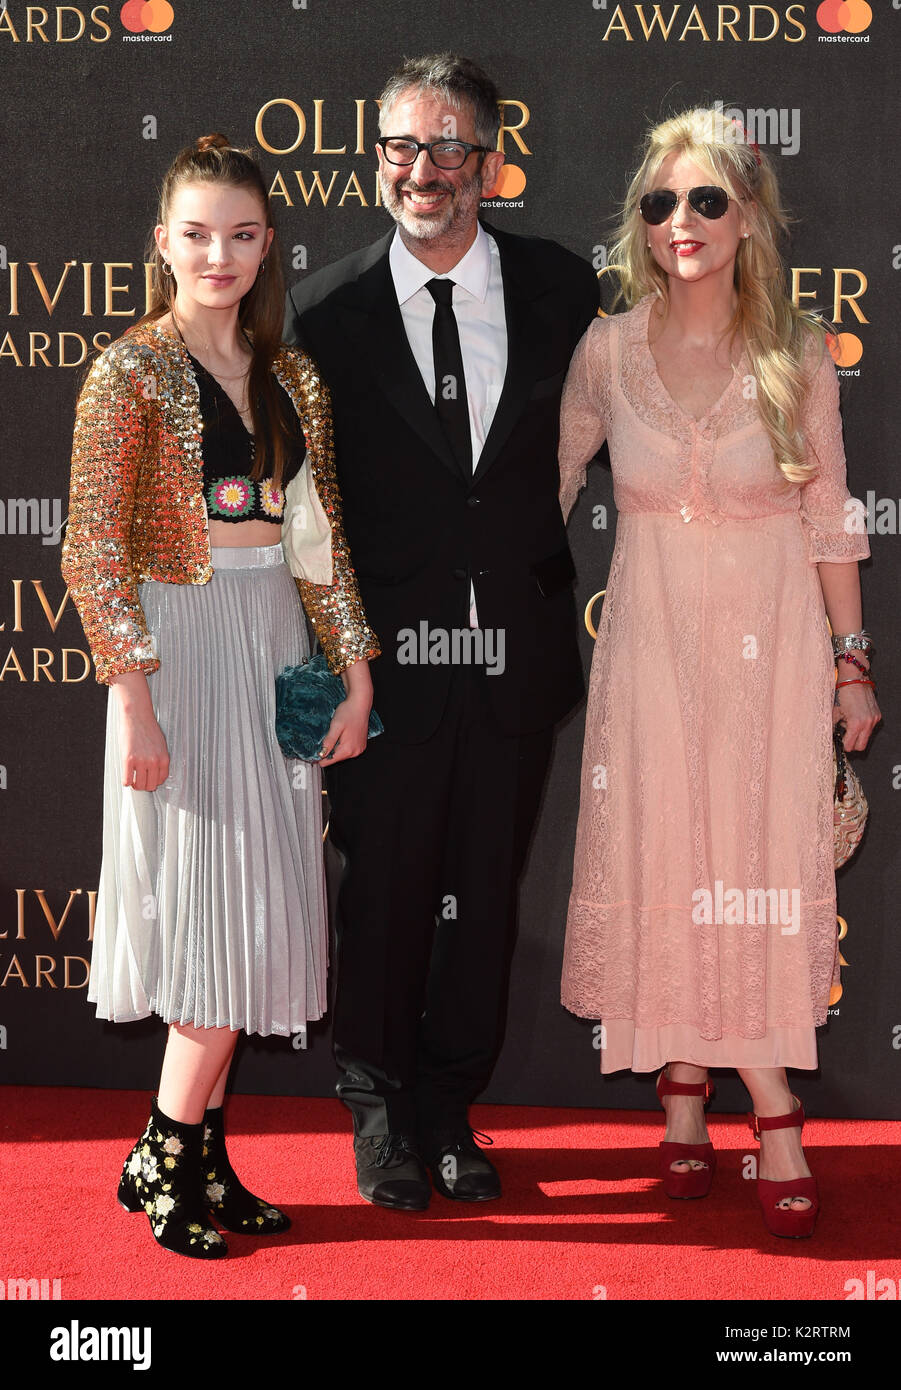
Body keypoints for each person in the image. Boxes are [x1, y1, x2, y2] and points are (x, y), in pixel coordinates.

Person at [284, 53, 600, 1210]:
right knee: (383, 890)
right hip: (381, 668)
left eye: (447, 146)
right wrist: (333, 678)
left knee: (483, 886)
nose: (422, 170)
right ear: (377, 160)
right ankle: (378, 1109)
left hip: (514, 658)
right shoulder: (324, 312)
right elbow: (306, 520)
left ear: (490, 161)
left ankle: (451, 1104)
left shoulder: (565, 290)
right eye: (399, 148)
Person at [558, 108, 880, 1238]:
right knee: (669, 848)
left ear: (746, 214)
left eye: (704, 200)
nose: (680, 222)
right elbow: (530, 494)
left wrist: (851, 663)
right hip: (650, 653)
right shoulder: (604, 351)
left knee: (750, 861)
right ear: (639, 226)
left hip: (771, 649)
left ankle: (742, 1093)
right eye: (659, 203)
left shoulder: (795, 350)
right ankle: (711, 1087)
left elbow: (828, 516)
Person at [61, 134, 379, 1259]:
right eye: (196, 233)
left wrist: (357, 668)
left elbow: (320, 535)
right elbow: (93, 553)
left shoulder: (289, 375)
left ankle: (196, 1155)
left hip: (273, 640)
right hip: (178, 652)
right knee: (206, 911)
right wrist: (135, 700)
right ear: (162, 243)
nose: (219, 254)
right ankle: (164, 1152)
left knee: (256, 911)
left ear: (267, 246)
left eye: (241, 234)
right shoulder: (128, 372)